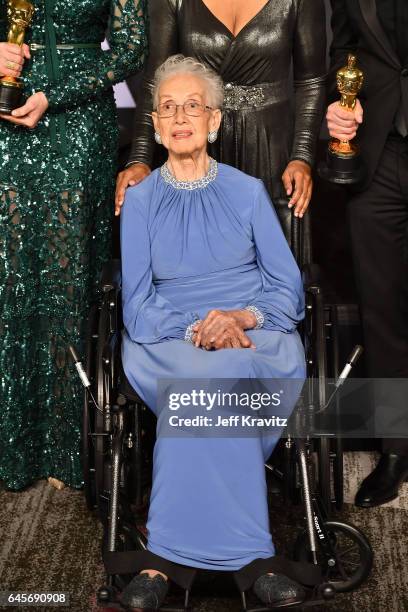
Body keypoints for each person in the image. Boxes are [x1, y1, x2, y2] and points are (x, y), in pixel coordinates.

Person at [120, 55, 307, 610]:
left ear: (214, 122)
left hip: (253, 333)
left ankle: (162, 563)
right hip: (166, 339)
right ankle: (254, 560)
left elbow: (287, 290)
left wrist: (241, 318)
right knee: (206, 376)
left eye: (193, 107)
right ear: (154, 126)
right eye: (168, 108)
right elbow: (136, 305)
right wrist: (197, 327)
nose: (181, 118)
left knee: (220, 374)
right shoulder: (142, 201)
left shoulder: (248, 192)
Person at [0, 0, 146, 490]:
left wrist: (54, 94)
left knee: (70, 278)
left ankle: (68, 447)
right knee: (13, 276)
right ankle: (13, 446)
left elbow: (131, 48)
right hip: (6, 116)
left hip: (79, 124)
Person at [115, 0, 327, 248]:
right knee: (199, 253)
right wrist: (139, 159)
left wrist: (301, 157)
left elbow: (311, 82)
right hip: (199, 148)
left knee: (273, 256)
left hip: (270, 148)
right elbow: (154, 83)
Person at [326, 0, 408, 507]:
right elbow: (343, 51)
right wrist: (341, 104)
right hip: (378, 159)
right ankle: (396, 446)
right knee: (382, 311)